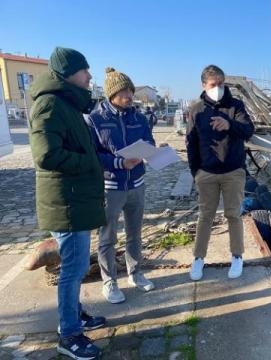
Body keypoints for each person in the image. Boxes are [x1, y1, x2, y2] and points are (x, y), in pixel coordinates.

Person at [29, 47, 106, 360]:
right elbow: (46, 155)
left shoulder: (68, 103)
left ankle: (76, 314)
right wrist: (89, 162)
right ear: (67, 74)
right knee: (73, 270)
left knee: (75, 264)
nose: (89, 76)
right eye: (84, 70)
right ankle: (70, 333)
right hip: (66, 201)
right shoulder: (50, 104)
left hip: (75, 198)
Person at [86, 67, 156, 304]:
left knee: (135, 233)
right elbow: (93, 155)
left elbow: (149, 141)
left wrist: (152, 151)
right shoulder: (95, 120)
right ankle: (109, 282)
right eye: (124, 92)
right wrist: (119, 162)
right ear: (112, 94)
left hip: (137, 184)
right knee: (107, 237)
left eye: (131, 91)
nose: (129, 96)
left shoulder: (139, 117)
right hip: (111, 187)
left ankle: (135, 273)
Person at [186, 64, 254, 281]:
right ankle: (198, 258)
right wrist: (195, 172)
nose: (218, 88)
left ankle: (237, 256)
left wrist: (229, 124)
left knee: (233, 214)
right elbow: (191, 143)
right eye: (214, 85)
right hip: (206, 173)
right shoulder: (196, 110)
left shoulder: (236, 105)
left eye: (221, 84)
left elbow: (248, 130)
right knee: (205, 216)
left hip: (233, 171)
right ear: (204, 85)